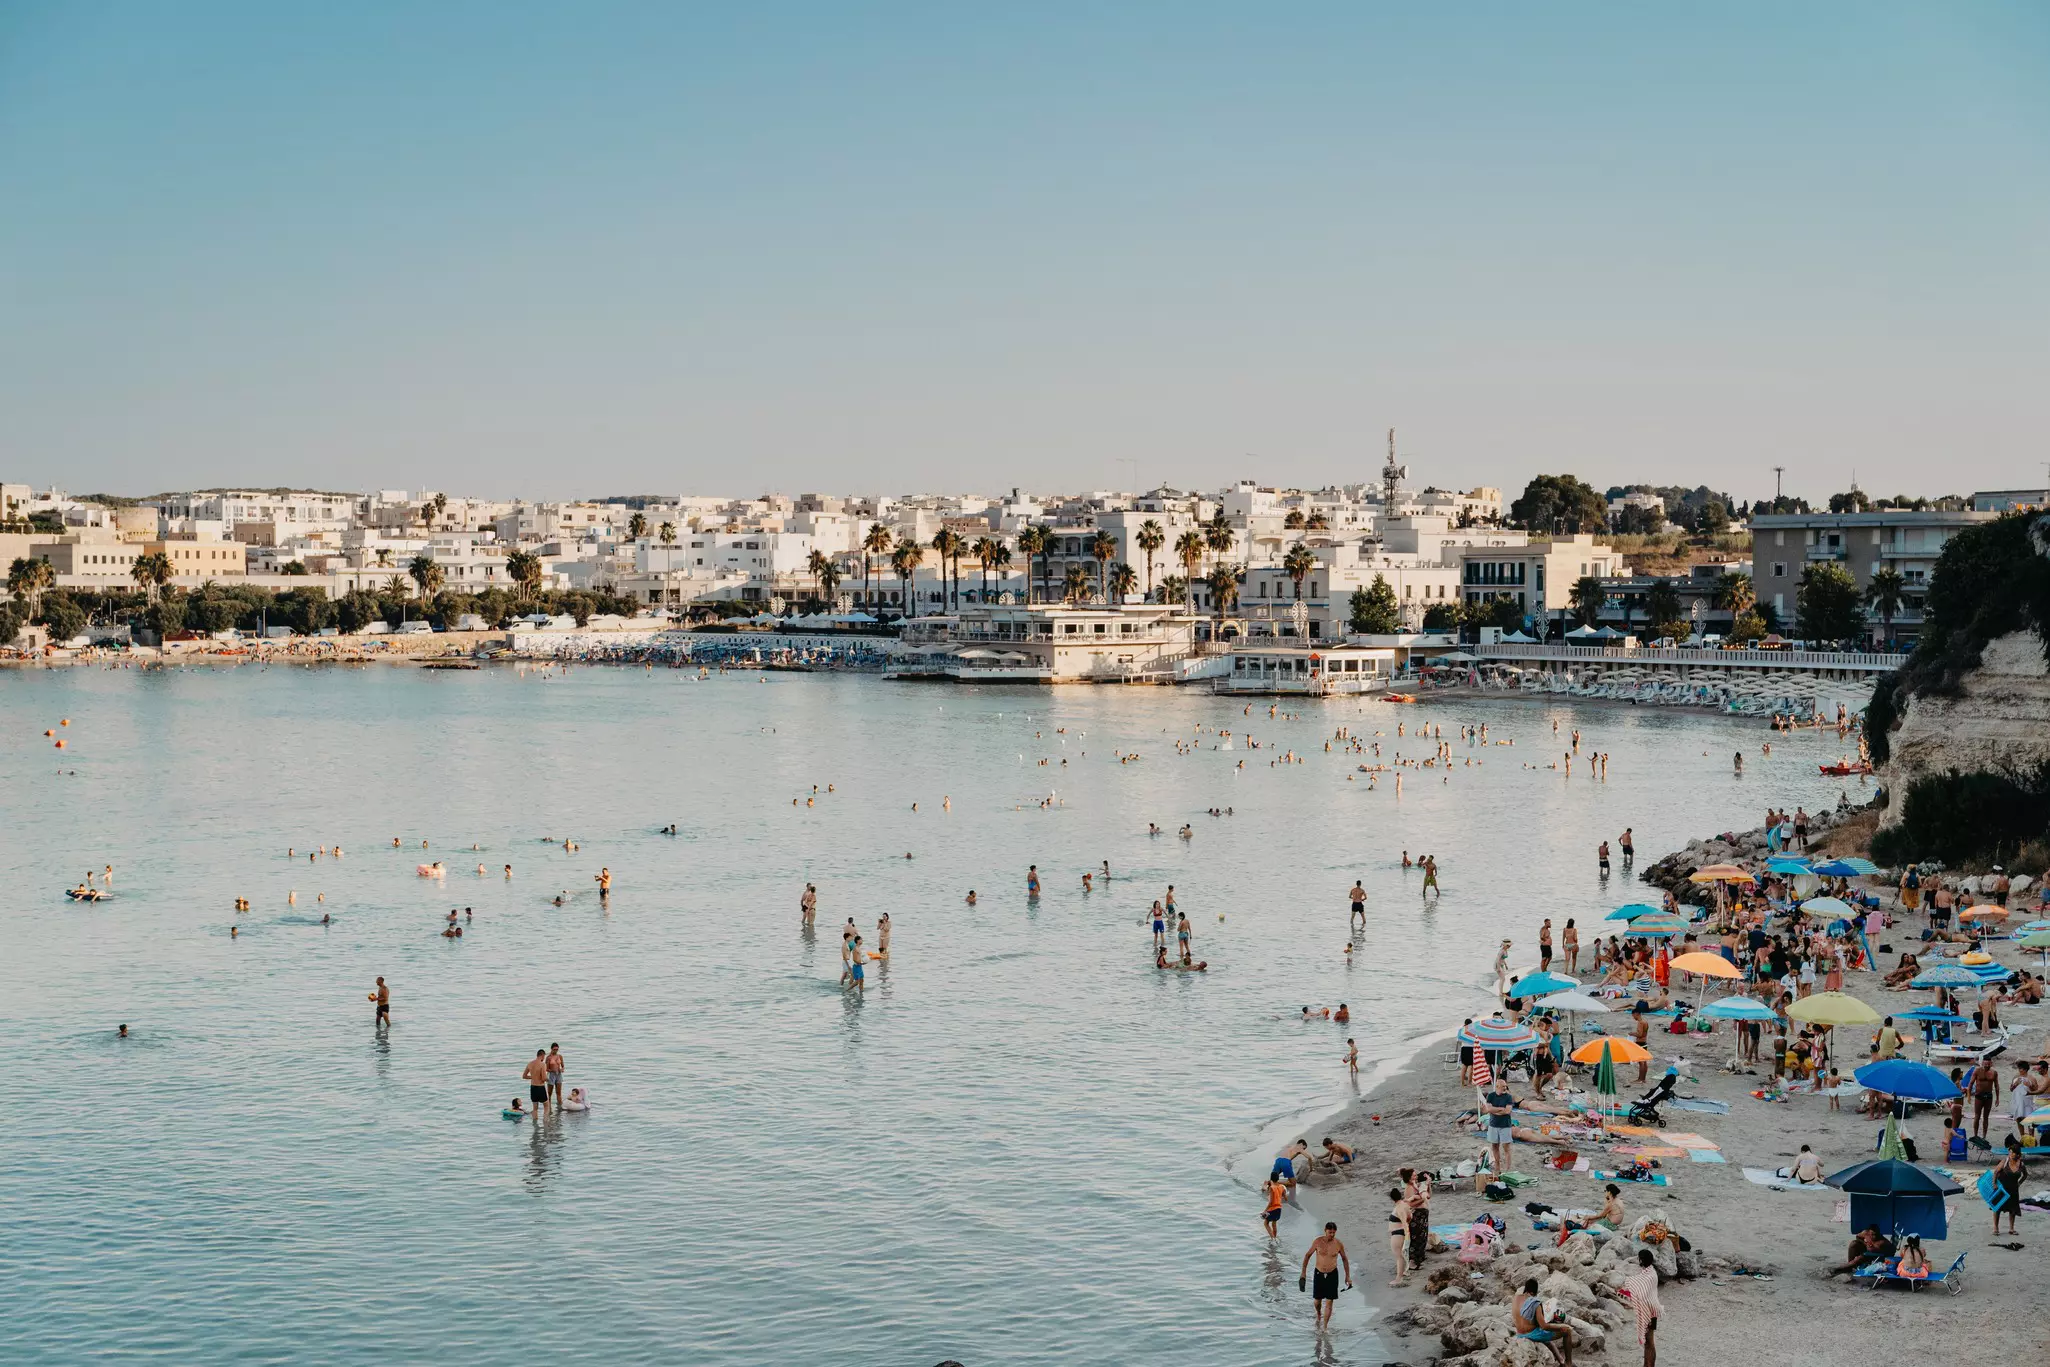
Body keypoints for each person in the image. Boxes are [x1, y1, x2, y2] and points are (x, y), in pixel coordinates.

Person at [1299, 1222, 1353, 1329]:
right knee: (1317, 1301)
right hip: (1319, 1273)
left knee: (1329, 1301)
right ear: (1325, 1230)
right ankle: (1319, 1313)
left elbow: (1344, 1259)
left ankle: (1325, 1328)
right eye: (1330, 1232)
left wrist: (1348, 1276)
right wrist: (1303, 1273)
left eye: (1334, 1232)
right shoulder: (1318, 1242)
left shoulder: (1338, 1244)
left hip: (1332, 1274)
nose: (1332, 1235)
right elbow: (1307, 1255)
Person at [1512, 1276, 1576, 1365]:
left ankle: (1561, 1361)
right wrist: (1561, 1326)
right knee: (1567, 1331)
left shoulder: (1516, 1298)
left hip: (1520, 1334)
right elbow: (1544, 1326)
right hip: (1531, 1334)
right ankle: (1569, 1363)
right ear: (1533, 1292)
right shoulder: (1535, 1303)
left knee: (1548, 1341)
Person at [1622, 1248, 1661, 1367]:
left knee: (1649, 1342)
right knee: (1649, 1342)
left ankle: (1650, 1365)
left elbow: (1639, 1294)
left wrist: (1624, 1293)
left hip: (1649, 1314)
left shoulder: (1647, 1277)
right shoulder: (1651, 1272)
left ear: (1641, 1260)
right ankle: (1647, 1365)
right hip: (1653, 1311)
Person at [1482, 1079, 1516, 1179]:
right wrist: (1501, 1109)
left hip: (1505, 1125)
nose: (1505, 1088)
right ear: (1497, 1087)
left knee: (1506, 1147)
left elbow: (1507, 1111)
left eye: (1505, 1086)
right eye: (1503, 1086)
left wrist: (1495, 1110)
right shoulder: (1491, 1096)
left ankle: (1508, 1168)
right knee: (1494, 1146)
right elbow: (1488, 1109)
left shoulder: (1508, 1097)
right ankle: (1497, 1166)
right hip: (1493, 1125)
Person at [1991, 1139, 2026, 1237]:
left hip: (2013, 1190)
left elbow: (2025, 1175)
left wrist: (2019, 1183)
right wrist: (1994, 1184)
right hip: (2002, 1188)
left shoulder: (2021, 1164)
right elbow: (1996, 1172)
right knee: (1997, 1208)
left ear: (2018, 1154)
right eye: (2010, 1152)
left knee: (2013, 1209)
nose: (2010, 1154)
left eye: (2012, 1153)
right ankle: (1995, 1228)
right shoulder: (2005, 1161)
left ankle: (2011, 1228)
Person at [1384, 1187, 1411, 1285]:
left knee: (1398, 1256)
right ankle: (1404, 1272)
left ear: (1392, 1198)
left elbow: (1404, 1220)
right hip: (1400, 1232)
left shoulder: (1399, 1208)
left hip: (1398, 1233)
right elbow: (1410, 1217)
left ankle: (1398, 1278)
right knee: (1402, 1255)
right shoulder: (1405, 1205)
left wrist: (1406, 1233)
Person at [522, 1049, 550, 1113]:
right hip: (540, 1087)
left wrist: (533, 1077)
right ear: (542, 1055)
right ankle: (546, 1122)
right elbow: (543, 1078)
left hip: (533, 1087)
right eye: (544, 1056)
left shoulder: (530, 1063)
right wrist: (548, 1079)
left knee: (535, 1108)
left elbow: (524, 1076)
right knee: (546, 1107)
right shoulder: (542, 1064)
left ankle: (535, 1122)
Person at [546, 1043, 566, 1111]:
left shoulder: (560, 1056)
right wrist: (552, 1070)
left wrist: (562, 1069)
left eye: (557, 1049)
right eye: (554, 1049)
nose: (556, 1051)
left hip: (559, 1075)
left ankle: (560, 1108)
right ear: (551, 1049)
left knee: (559, 1092)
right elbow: (546, 1069)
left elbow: (563, 1066)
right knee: (549, 1093)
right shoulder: (548, 1057)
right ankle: (549, 1108)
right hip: (551, 1075)